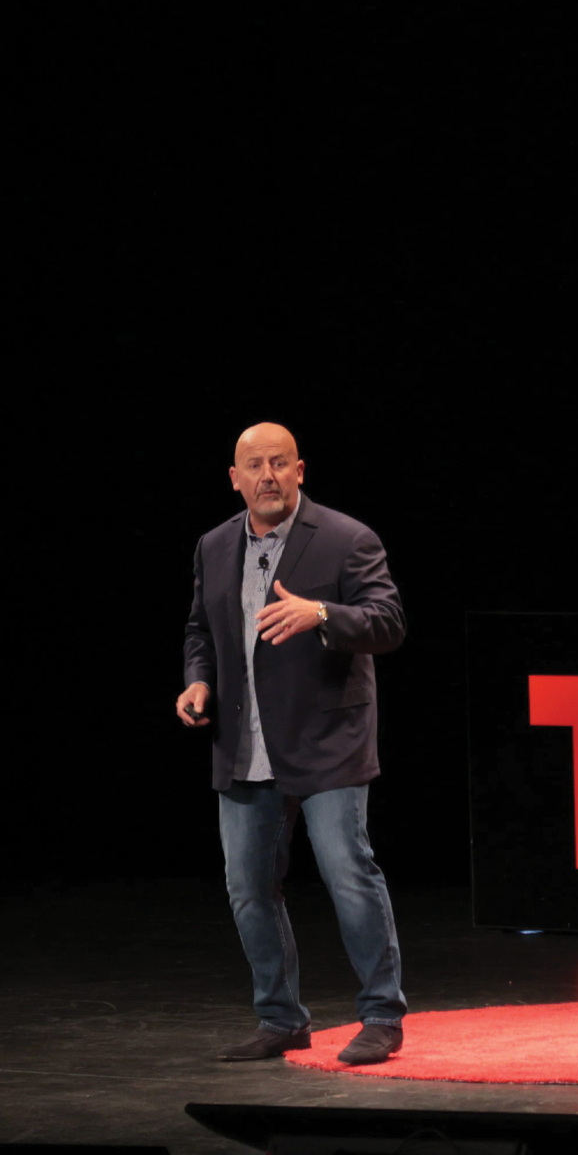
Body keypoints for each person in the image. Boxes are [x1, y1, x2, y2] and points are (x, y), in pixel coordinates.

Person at [177, 423, 410, 1065]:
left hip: (327, 741)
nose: (268, 476)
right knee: (249, 887)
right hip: (244, 746)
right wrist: (198, 683)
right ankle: (281, 1018)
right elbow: (200, 630)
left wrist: (324, 615)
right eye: (255, 466)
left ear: (300, 470)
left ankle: (382, 1015)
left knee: (348, 876)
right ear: (236, 478)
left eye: (280, 463)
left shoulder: (345, 538)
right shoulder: (215, 545)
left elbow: (388, 623)